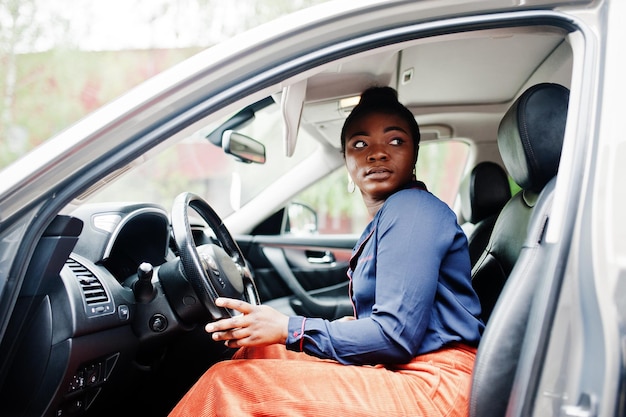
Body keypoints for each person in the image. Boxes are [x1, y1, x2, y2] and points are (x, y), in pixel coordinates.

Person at [168, 86, 484, 417]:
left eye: (395, 140)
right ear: (347, 160)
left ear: (414, 153)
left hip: (436, 388)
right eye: (360, 144)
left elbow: (395, 335)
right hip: (410, 368)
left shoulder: (414, 208)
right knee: (258, 352)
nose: (376, 153)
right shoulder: (392, 216)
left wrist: (289, 328)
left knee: (227, 384)